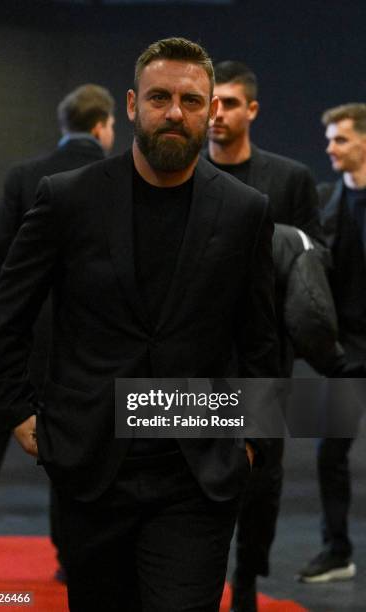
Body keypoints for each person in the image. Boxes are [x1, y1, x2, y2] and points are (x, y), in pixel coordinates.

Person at [0, 38, 279, 612]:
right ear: (130, 105)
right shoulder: (68, 199)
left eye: (192, 101)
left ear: (211, 109)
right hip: (92, 465)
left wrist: (254, 441)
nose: (176, 112)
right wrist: (17, 411)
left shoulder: (245, 211)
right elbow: (10, 310)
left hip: (199, 469)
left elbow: (260, 340)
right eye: (160, 97)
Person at [0, 83, 115, 576]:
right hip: (81, 337)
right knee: (72, 445)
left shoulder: (24, 175)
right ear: (103, 124)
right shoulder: (115, 177)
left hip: (20, 329)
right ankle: (70, 557)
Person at [206, 60, 322, 612]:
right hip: (197, 350)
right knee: (192, 467)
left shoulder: (290, 179)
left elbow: (313, 259)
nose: (216, 113)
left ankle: (248, 574)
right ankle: (199, 575)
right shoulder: (183, 175)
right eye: (211, 102)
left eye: (228, 103)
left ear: (251, 109)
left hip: (265, 353)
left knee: (262, 478)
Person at [297, 103, 366, 583]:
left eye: (339, 138)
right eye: (329, 138)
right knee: (328, 453)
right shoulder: (325, 202)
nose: (329, 147)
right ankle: (336, 550)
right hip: (346, 352)